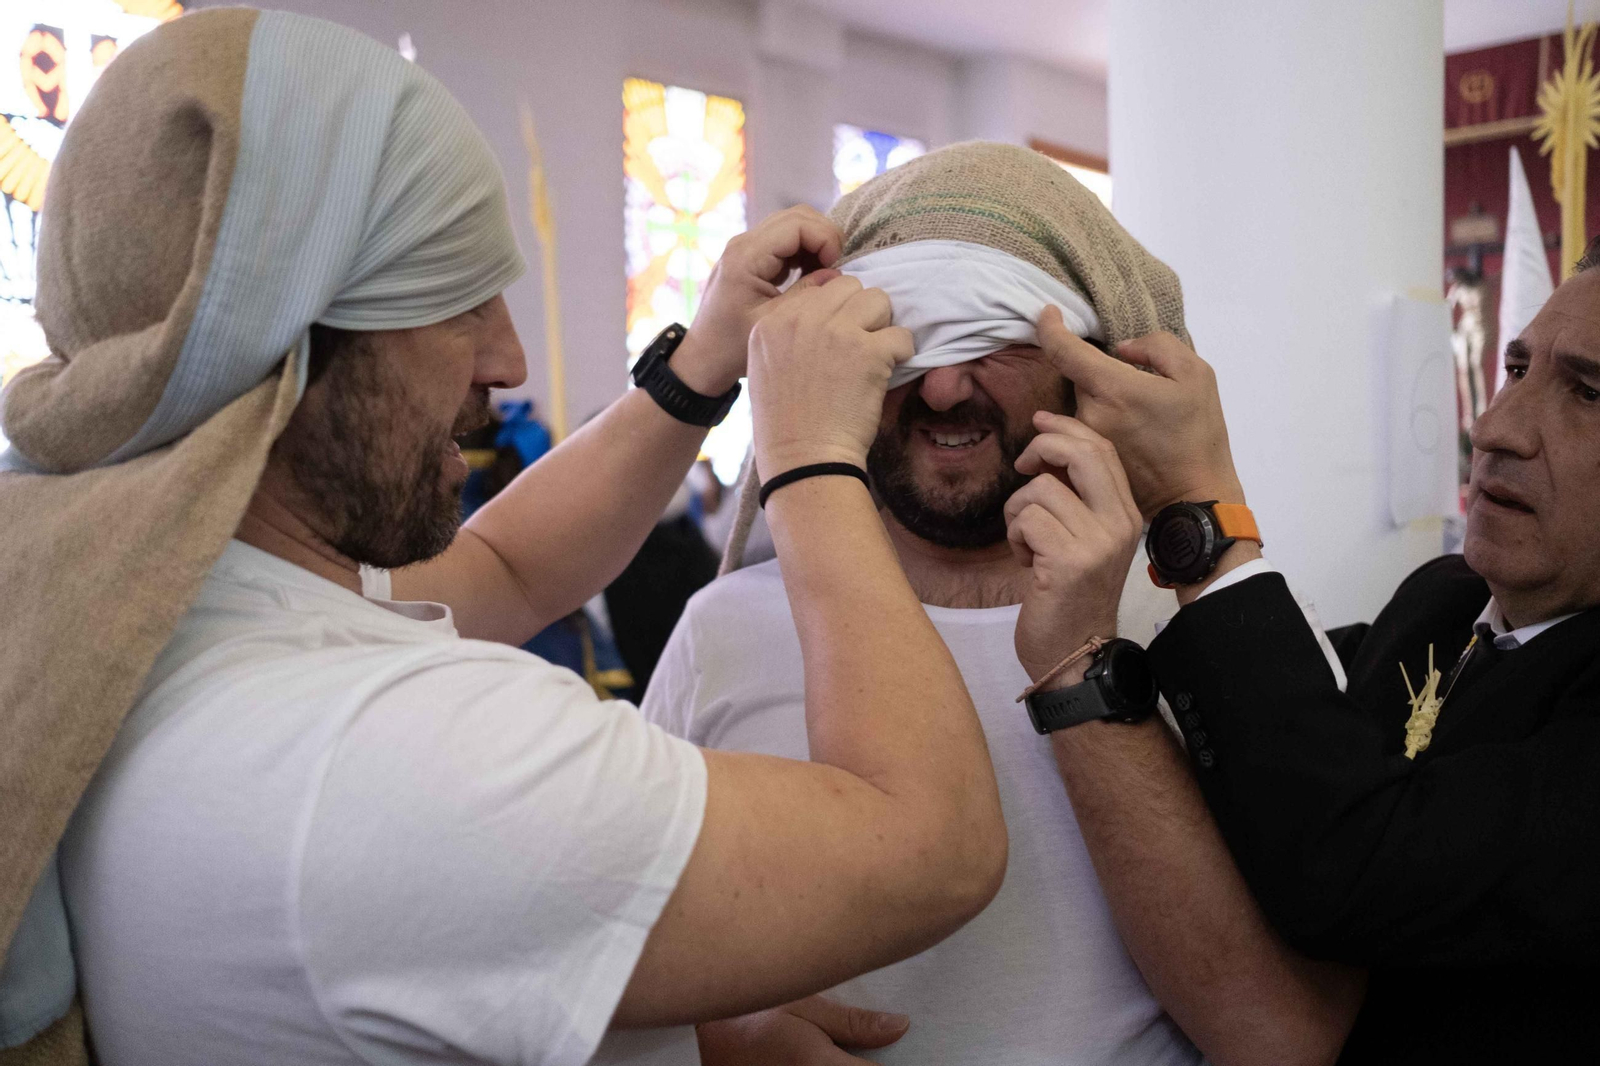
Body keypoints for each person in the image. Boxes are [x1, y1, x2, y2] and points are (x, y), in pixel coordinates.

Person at [0, 12, 1014, 1065]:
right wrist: (806, 455)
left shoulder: (138, 613)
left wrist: (700, 364)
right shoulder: (383, 754)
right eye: (455, 304)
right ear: (295, 343)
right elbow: (927, 848)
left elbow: (505, 565)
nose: (510, 358)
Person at [644, 142, 1356, 1066]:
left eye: (1001, 336)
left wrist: (1085, 663)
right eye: (904, 334)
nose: (943, 386)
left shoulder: (1220, 638)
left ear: (1088, 364)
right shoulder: (727, 631)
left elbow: (1287, 1037)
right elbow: (615, 946)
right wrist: (722, 1027)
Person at [1022, 236, 1600, 1063]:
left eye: (1586, 393)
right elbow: (1281, 748)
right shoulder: (1446, 597)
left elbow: (1357, 868)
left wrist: (1202, 512)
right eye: (1515, 371)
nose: (1496, 428)